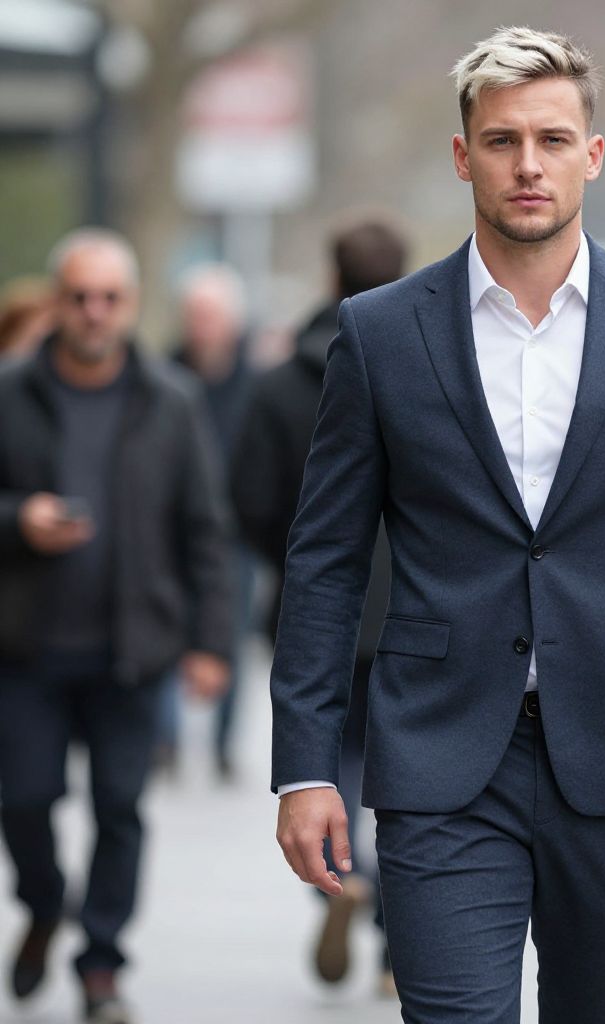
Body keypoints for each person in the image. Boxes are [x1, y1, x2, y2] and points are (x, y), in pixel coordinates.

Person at [271, 27, 605, 1023]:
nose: (527, 164)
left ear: (591, 155)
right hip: (439, 754)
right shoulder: (380, 334)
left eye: (553, 139)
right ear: (463, 156)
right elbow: (326, 561)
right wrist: (304, 765)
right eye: (502, 140)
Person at [0, 228, 234, 1024]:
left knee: (120, 809)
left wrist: (210, 642)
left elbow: (205, 530)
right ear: (57, 302)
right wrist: (16, 520)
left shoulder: (170, 401)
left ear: (132, 306)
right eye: (79, 297)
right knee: (24, 799)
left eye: (110, 298)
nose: (94, 313)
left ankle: (101, 966)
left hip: (131, 650)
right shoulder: (9, 392)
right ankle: (43, 903)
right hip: (25, 647)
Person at [231, 217, 407, 992]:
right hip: (414, 610)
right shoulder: (428, 364)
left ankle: (345, 873)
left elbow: (250, 499)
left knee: (325, 769)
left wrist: (303, 571)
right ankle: (402, 938)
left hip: (318, 612)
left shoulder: (279, 384)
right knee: (408, 778)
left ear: (331, 277)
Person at [167, 263, 254, 779]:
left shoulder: (254, 381)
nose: (203, 326)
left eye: (212, 315)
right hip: (169, 528)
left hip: (234, 531)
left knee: (230, 635)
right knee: (160, 632)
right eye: (195, 315)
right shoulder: (164, 376)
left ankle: (222, 742)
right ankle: (165, 740)